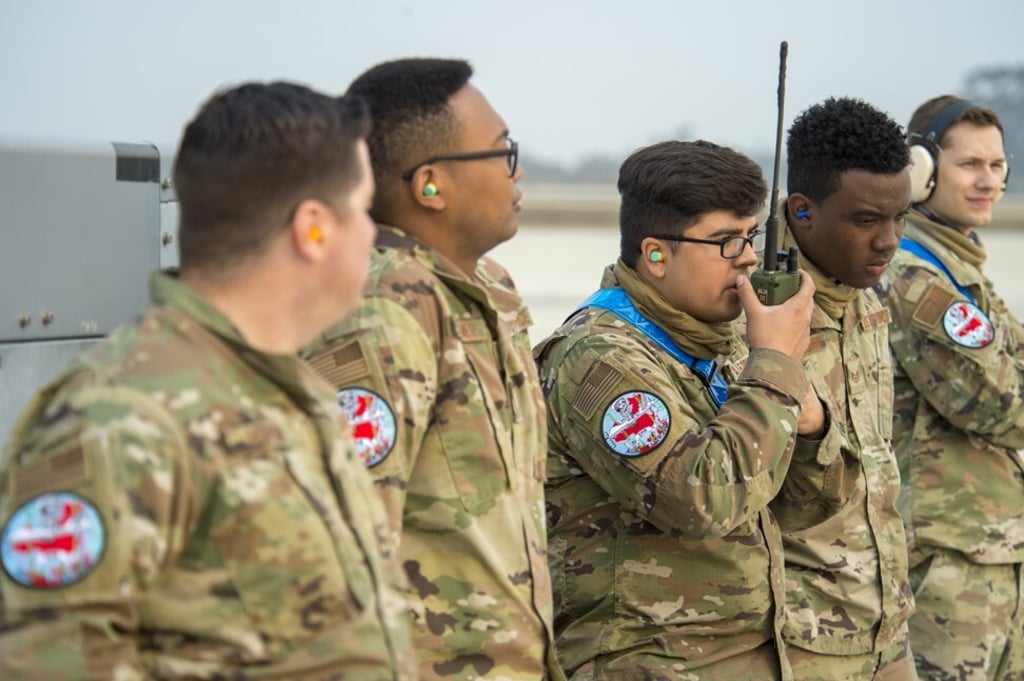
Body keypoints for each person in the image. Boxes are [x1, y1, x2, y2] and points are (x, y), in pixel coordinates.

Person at [0, 82, 416, 679]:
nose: (372, 238)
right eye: (363, 212)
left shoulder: (298, 394)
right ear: (314, 229)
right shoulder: (120, 418)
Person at [302, 58, 560, 680]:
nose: (516, 170)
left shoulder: (485, 288)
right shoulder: (381, 310)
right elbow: (348, 550)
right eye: (502, 152)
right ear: (430, 186)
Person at [533, 139, 823, 679]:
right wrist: (776, 369)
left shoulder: (726, 343)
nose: (749, 259)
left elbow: (813, 504)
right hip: (649, 660)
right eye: (724, 242)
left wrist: (812, 425)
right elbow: (700, 500)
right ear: (656, 255)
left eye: (751, 236)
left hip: (744, 653)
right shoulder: (599, 359)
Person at [875, 95, 1024, 680]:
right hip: (946, 556)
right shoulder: (916, 276)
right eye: (970, 166)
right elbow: (1000, 402)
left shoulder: (960, 269)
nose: (989, 181)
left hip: (988, 545)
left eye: (998, 165)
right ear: (922, 171)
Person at [772, 97, 916, 679]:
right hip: (798, 641)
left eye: (901, 217)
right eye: (866, 220)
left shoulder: (862, 298)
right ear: (801, 212)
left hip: (885, 627)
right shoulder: (754, 316)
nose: (890, 240)